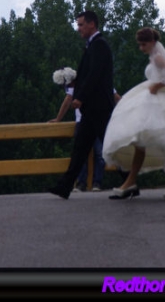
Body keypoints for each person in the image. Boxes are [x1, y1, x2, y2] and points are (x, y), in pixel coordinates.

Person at [102, 27, 165, 201]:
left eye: (143, 44)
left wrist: (157, 86)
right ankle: (134, 181)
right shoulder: (153, 56)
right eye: (139, 44)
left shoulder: (158, 57)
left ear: (152, 42)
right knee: (141, 140)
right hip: (153, 99)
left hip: (160, 101)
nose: (141, 48)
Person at [49, 11, 116, 200]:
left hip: (99, 107)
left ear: (92, 24)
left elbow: (94, 75)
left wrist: (80, 98)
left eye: (80, 25)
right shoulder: (93, 45)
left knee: (110, 146)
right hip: (92, 109)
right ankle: (65, 186)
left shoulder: (99, 45)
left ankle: (130, 179)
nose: (78, 29)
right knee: (80, 149)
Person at [49, 67, 121, 192]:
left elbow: (67, 101)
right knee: (95, 154)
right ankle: (94, 183)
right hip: (92, 120)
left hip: (88, 121)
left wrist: (58, 118)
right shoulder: (86, 85)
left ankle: (84, 183)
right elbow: (116, 98)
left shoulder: (84, 86)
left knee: (86, 154)